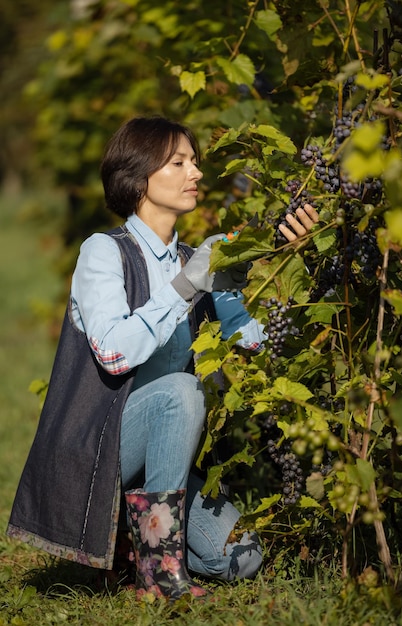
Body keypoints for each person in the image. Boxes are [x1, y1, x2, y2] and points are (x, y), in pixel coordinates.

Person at [7, 116, 318, 601]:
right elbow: (114, 354)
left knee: (241, 557)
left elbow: (259, 345)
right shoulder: (104, 253)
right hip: (100, 448)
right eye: (179, 162)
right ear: (138, 176)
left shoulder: (201, 259)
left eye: (195, 161)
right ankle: (158, 574)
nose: (196, 172)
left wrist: (295, 262)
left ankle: (132, 545)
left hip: (161, 462)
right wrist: (186, 286)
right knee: (180, 391)